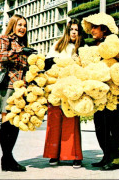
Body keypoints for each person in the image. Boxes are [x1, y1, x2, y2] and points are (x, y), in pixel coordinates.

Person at [0, 14, 36, 172]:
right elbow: (1, 57)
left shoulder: (24, 43)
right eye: (19, 25)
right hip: (9, 84)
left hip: (21, 86)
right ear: (13, 26)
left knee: (15, 122)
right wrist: (20, 51)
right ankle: (7, 158)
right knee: (7, 120)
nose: (23, 28)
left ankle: (8, 159)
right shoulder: (4, 39)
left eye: (24, 25)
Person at [81, 12, 119, 170]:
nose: (92, 30)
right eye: (91, 27)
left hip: (113, 93)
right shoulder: (96, 45)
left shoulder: (114, 43)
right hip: (99, 94)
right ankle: (107, 155)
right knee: (100, 126)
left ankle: (117, 160)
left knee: (115, 125)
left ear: (104, 29)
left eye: (95, 27)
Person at [43, 18, 84, 169]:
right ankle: (53, 154)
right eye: (72, 29)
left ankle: (74, 155)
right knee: (54, 121)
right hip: (55, 87)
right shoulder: (57, 45)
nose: (74, 32)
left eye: (77, 30)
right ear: (68, 30)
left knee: (71, 122)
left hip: (72, 88)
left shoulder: (80, 48)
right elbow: (47, 64)